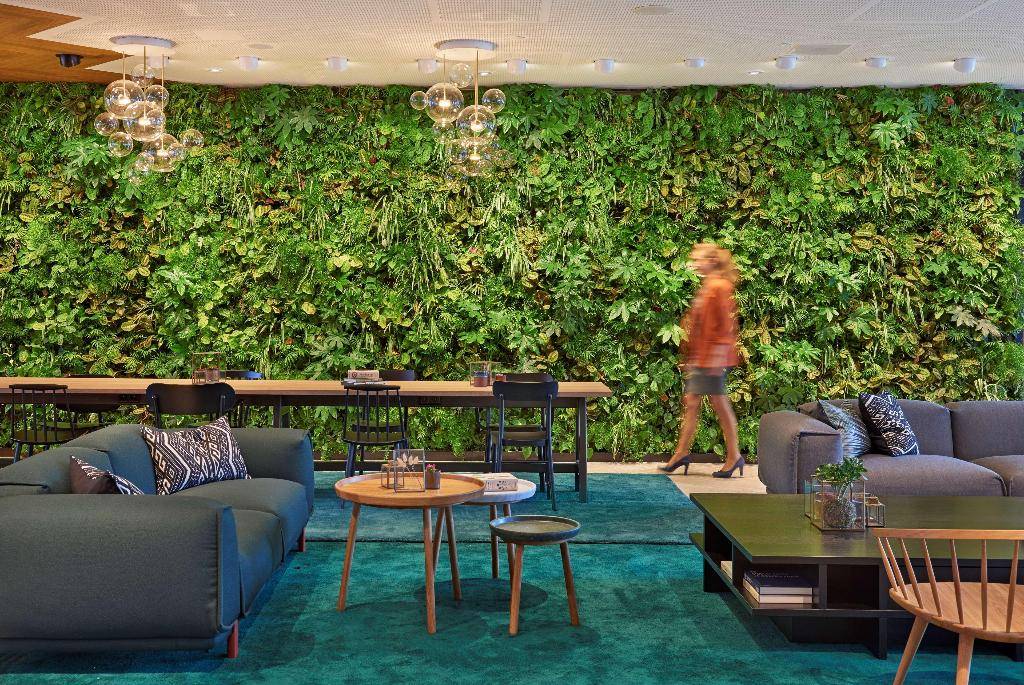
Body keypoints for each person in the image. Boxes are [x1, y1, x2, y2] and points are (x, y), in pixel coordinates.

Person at [659, 243, 743, 477]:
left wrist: (716, 358)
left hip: (712, 358)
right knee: (693, 402)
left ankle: (733, 456)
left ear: (711, 261)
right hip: (703, 357)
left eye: (698, 259)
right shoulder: (708, 285)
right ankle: (682, 453)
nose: (694, 263)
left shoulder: (719, 286)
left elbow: (726, 326)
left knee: (719, 405)